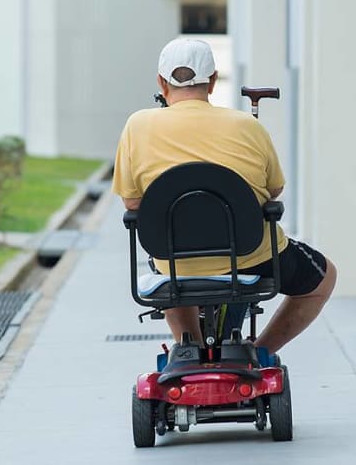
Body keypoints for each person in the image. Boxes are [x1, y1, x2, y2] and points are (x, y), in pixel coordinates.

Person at [112, 38, 336, 354]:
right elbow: (273, 190)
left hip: (176, 260)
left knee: (169, 266)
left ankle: (190, 350)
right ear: (213, 81)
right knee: (323, 280)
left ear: (161, 83)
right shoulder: (247, 125)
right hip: (251, 256)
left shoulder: (137, 126)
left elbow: (132, 203)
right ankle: (259, 352)